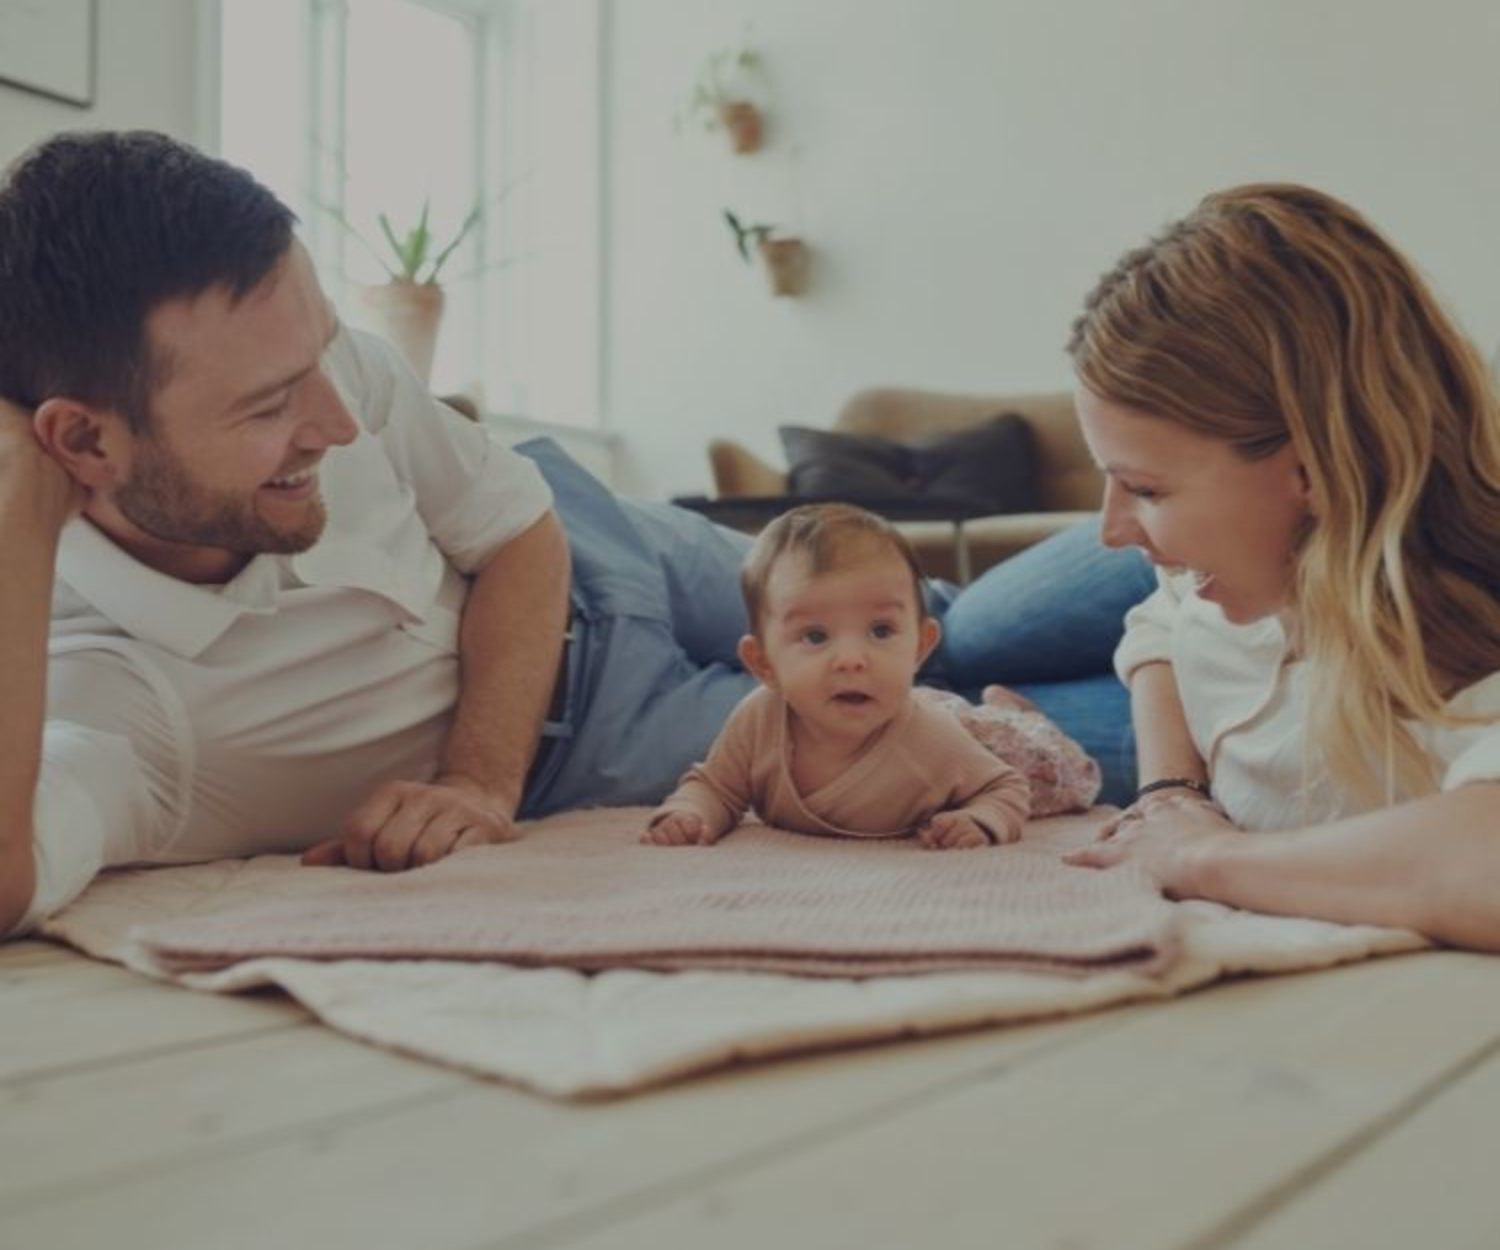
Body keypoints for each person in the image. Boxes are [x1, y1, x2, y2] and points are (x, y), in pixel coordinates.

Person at [0, 129, 1143, 937]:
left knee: (946, 623)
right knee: (980, 739)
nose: (340, 423)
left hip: (596, 540)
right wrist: (14, 508)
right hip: (594, 730)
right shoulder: (104, 694)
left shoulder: (317, 369)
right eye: (267, 408)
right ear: (81, 441)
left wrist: (475, 779)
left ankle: (1244, 525)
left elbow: (516, 529)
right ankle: (1246, 677)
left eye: (324, 357)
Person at [1052, 184, 1500, 951]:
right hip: (1186, 689)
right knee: (954, 636)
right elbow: (1158, 619)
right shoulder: (1208, 561)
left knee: (919, 691)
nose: (1110, 529)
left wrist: (1198, 856)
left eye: (1146, 489)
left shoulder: (1463, 665)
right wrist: (1170, 792)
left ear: (1313, 470)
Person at [644, 503, 1065, 849]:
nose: (851, 660)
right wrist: (689, 813)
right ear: (764, 664)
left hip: (992, 744)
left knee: (1057, 771)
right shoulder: (758, 720)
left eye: (880, 631)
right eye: (815, 636)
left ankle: (1016, 715)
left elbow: (1007, 787)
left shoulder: (931, 740)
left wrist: (979, 819)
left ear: (920, 646)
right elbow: (716, 787)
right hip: (946, 720)